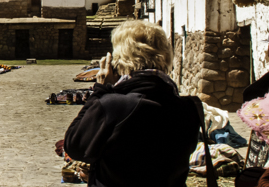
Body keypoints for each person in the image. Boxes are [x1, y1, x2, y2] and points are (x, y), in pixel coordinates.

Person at [64, 20, 199, 186]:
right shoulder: (189, 107)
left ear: (119, 59)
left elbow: (75, 146)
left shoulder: (113, 106)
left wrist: (100, 91)